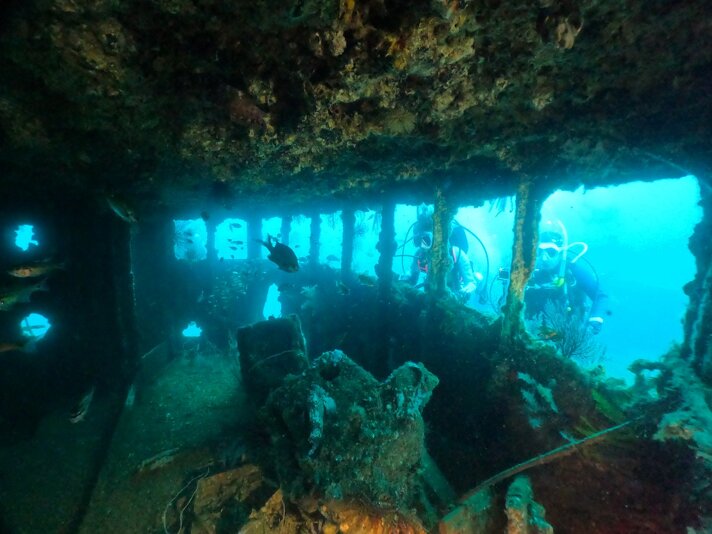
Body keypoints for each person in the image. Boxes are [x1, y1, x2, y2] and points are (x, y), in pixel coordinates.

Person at [524, 221, 610, 334]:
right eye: (540, 252)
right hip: (531, 328)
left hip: (566, 329)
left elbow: (600, 295)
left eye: (551, 252)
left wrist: (596, 318)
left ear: (561, 253)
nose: (544, 258)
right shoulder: (530, 271)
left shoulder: (572, 271)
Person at [405, 229, 478, 298]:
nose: (421, 246)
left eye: (426, 240)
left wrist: (465, 291)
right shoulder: (419, 255)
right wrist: (405, 279)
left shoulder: (456, 252)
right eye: (417, 241)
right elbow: (412, 278)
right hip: (431, 291)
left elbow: (471, 283)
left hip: (454, 289)